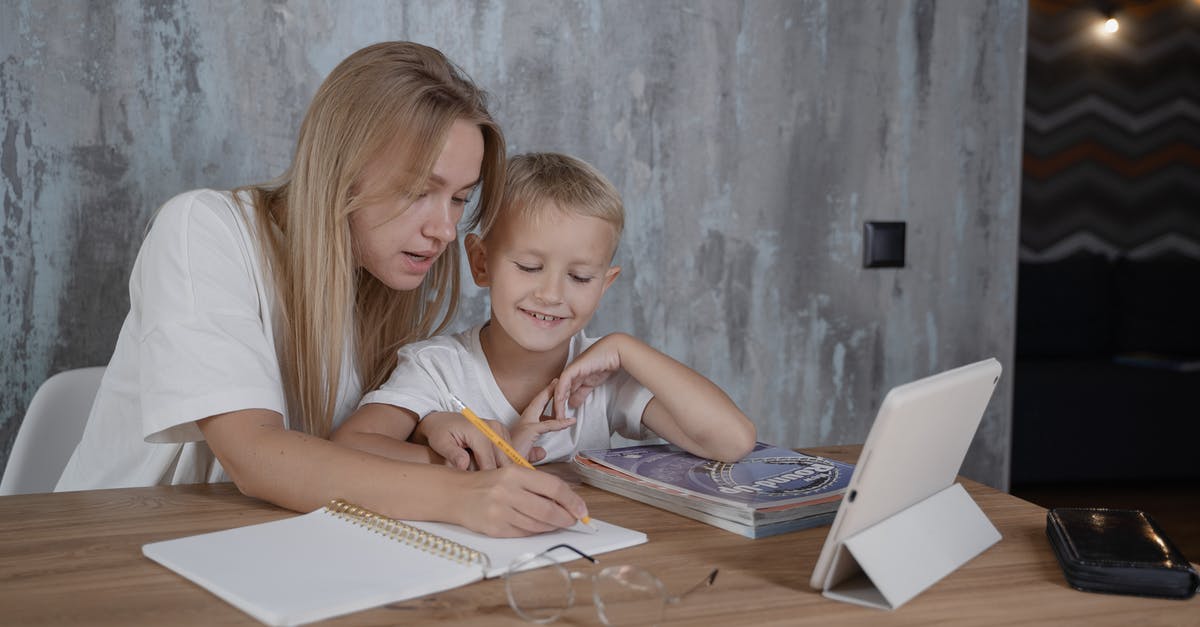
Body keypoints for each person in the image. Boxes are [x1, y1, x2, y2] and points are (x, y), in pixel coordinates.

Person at [55, 42, 588, 538]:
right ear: (341, 169)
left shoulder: (379, 277)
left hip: (268, 546)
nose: (445, 231)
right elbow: (256, 457)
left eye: (458, 199)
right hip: (116, 544)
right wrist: (464, 494)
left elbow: (340, 453)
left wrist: (429, 432)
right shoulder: (204, 228)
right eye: (419, 191)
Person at [330, 152, 757, 469]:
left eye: (581, 277)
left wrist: (625, 348)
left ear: (605, 284)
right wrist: (459, 452)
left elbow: (732, 441)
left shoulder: (602, 381)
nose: (552, 294)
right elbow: (348, 447)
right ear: (482, 263)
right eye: (530, 267)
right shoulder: (438, 369)